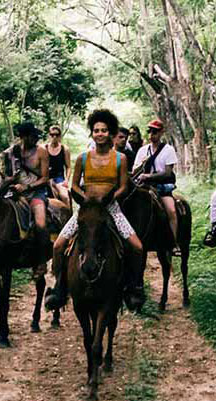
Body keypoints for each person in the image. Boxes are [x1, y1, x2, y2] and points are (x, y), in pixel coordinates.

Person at [45, 109, 145, 311]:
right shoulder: (83, 158)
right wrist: (83, 199)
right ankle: (59, 288)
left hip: (111, 208)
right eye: (96, 130)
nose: (100, 134)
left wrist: (109, 199)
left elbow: (124, 186)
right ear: (92, 133)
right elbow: (73, 185)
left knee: (137, 247)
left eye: (104, 130)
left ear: (110, 133)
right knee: (58, 246)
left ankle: (132, 287)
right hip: (86, 209)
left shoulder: (120, 159)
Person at [0, 121, 50, 258]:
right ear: (24, 137)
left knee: (40, 223)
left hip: (36, 193)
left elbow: (45, 178)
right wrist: (11, 183)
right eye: (33, 136)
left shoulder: (41, 152)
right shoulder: (10, 153)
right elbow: (4, 177)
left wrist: (26, 187)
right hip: (14, 194)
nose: (36, 139)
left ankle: (42, 262)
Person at [133, 119, 179, 247]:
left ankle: (173, 242)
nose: (152, 134)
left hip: (162, 187)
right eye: (150, 131)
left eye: (155, 131)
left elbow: (167, 173)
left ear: (161, 132)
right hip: (144, 187)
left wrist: (149, 176)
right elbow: (135, 171)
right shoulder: (142, 150)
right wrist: (142, 164)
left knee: (172, 210)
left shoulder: (168, 150)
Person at [45, 125, 71, 206]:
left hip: (59, 178)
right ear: (49, 135)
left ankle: (69, 216)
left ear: (60, 136)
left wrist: (66, 180)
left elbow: (68, 167)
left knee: (65, 197)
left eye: (57, 135)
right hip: (45, 178)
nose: (54, 137)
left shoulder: (64, 149)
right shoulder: (44, 148)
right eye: (52, 135)